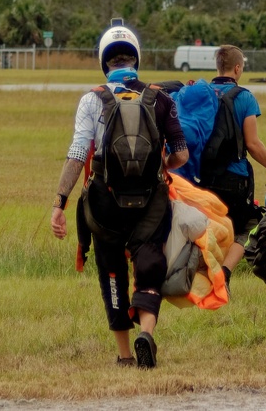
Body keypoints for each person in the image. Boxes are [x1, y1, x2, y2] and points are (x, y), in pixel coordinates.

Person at [50, 20, 189, 369]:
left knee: (111, 270)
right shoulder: (161, 98)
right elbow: (182, 154)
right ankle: (147, 331)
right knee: (149, 263)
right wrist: (161, 168)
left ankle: (125, 355)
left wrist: (60, 202)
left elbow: (78, 152)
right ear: (136, 59)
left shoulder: (92, 99)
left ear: (104, 61)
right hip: (150, 201)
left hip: (104, 201)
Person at [172, 44, 266, 291]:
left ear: (218, 66)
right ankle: (224, 273)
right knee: (248, 226)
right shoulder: (244, 97)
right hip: (234, 180)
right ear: (237, 68)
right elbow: (253, 143)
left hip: (201, 179)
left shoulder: (199, 93)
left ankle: (195, 270)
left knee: (208, 224)